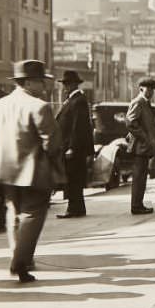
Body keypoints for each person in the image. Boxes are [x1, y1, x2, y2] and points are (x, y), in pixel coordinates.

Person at [0, 59, 63, 283]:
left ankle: (19, 255)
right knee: (32, 214)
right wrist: (56, 169)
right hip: (33, 171)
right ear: (30, 82)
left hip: (3, 170)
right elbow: (52, 144)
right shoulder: (40, 106)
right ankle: (21, 262)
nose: (44, 86)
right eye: (41, 81)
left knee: (12, 213)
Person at [56, 70, 94, 219]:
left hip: (74, 148)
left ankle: (74, 208)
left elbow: (77, 127)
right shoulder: (72, 100)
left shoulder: (78, 100)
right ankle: (78, 208)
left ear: (73, 84)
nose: (64, 87)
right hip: (71, 147)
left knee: (73, 179)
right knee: (74, 178)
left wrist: (72, 147)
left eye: (66, 84)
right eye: (64, 84)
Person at [125, 78, 155, 214]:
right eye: (148, 89)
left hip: (144, 147)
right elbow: (130, 122)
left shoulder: (145, 103)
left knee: (142, 177)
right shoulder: (138, 102)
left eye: (152, 90)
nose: (150, 92)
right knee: (139, 177)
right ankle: (136, 206)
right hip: (139, 147)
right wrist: (144, 138)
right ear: (141, 89)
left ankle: (138, 204)